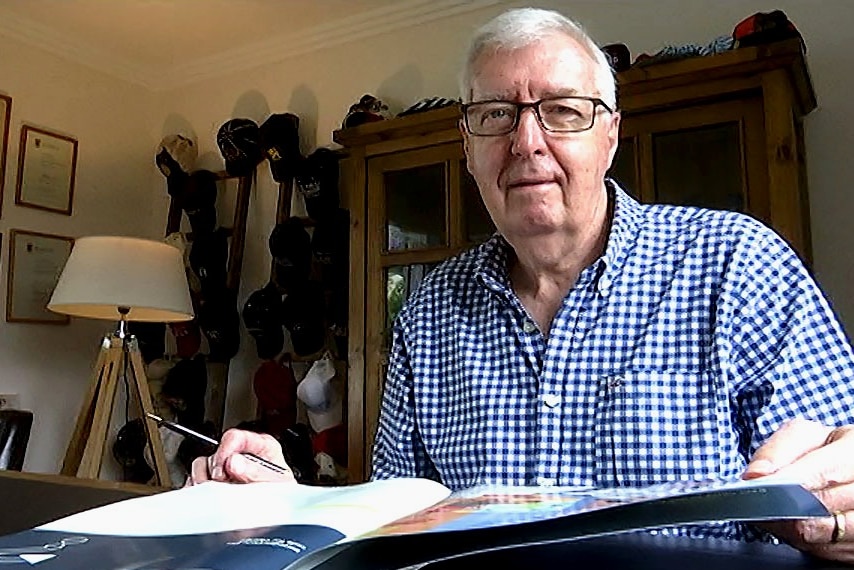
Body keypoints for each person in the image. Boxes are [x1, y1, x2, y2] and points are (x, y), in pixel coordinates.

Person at [190, 7, 854, 563]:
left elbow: (838, 482)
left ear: (611, 136)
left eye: (563, 110)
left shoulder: (739, 264)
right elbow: (392, 523)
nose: (527, 141)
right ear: (468, 148)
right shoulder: (428, 315)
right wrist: (294, 500)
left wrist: (834, 511)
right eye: (496, 116)